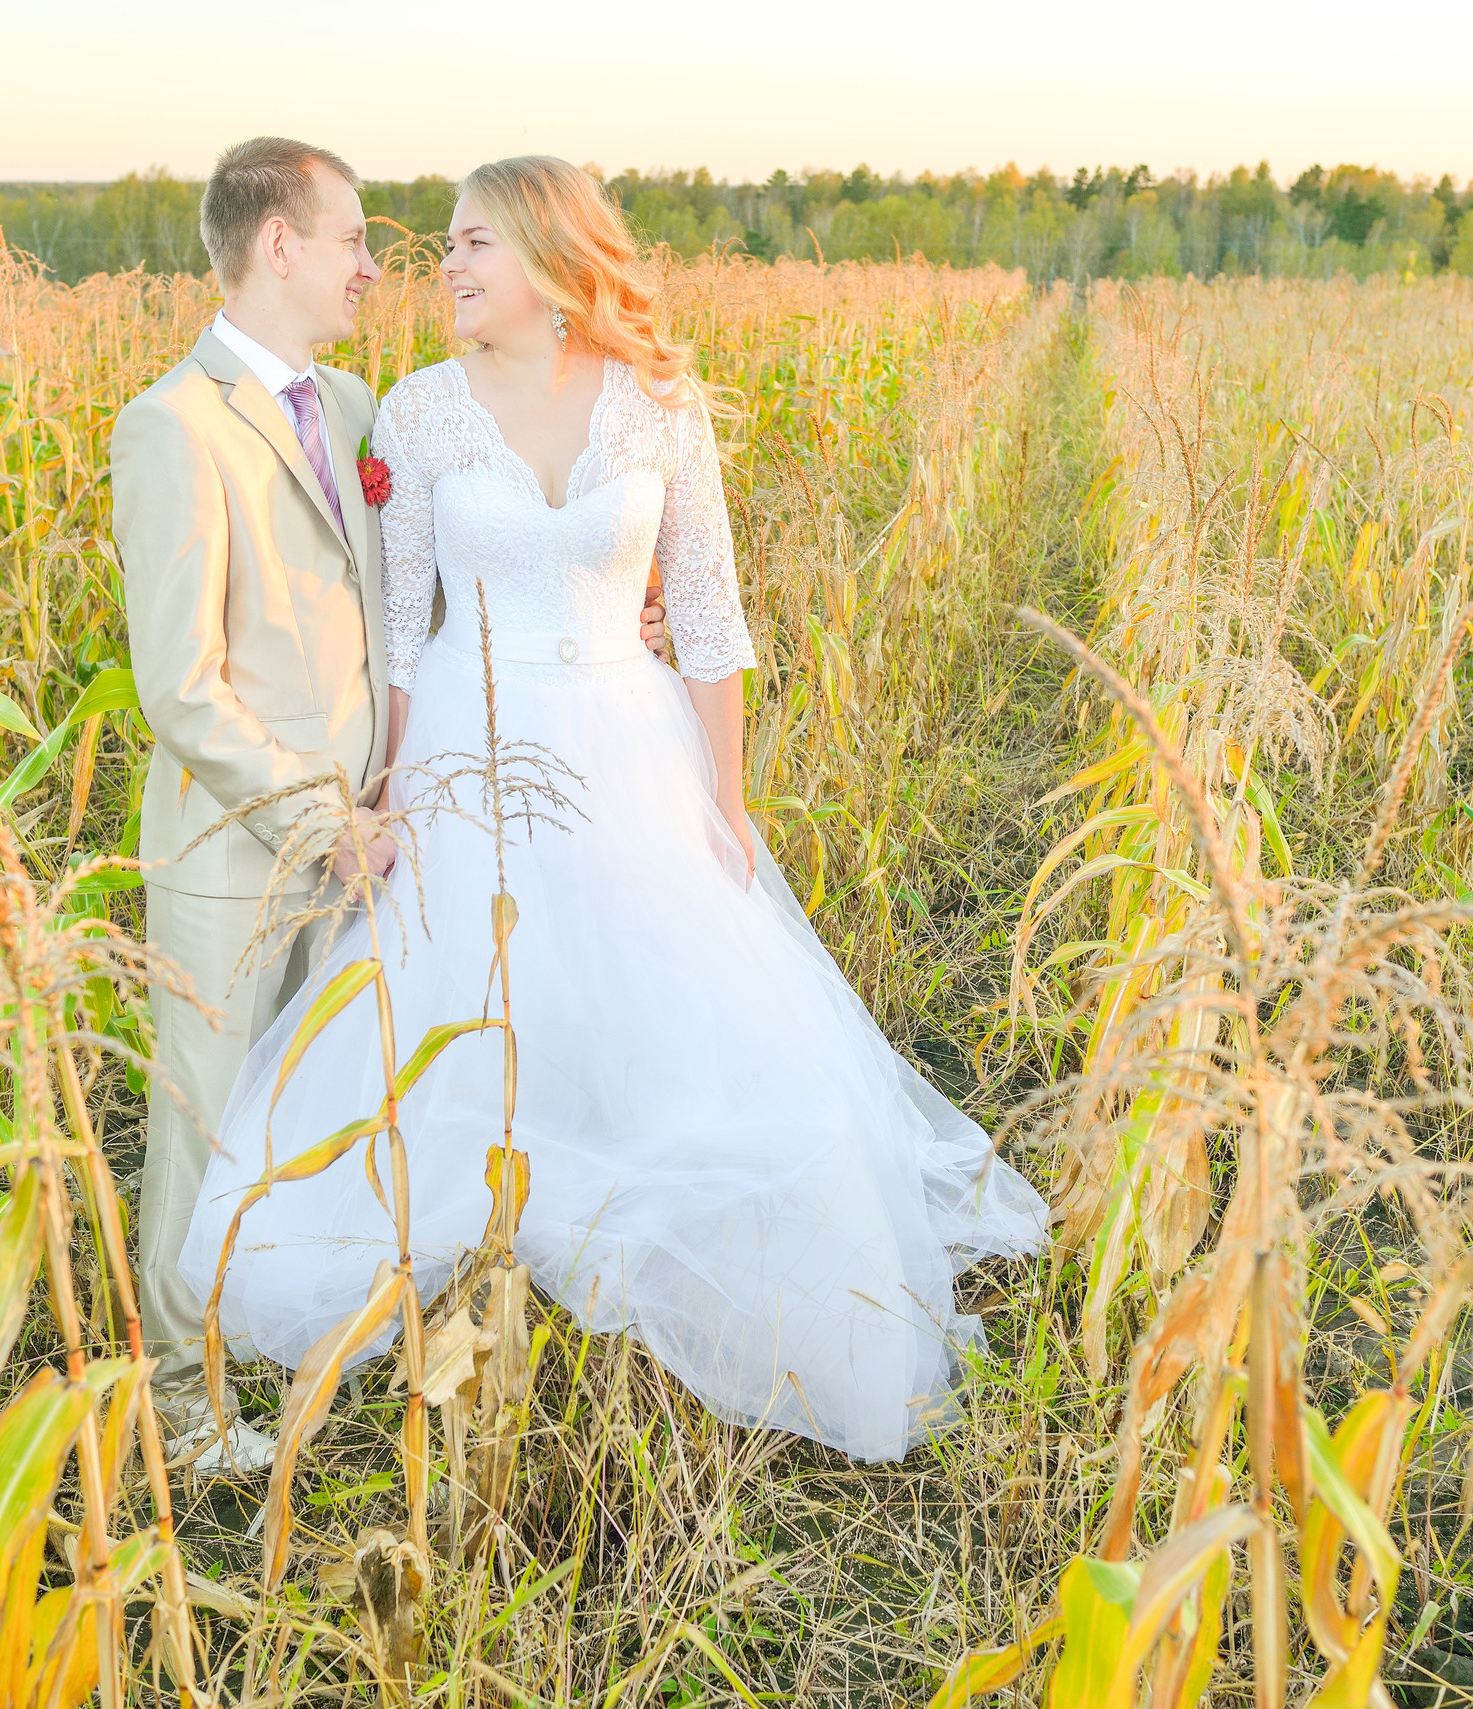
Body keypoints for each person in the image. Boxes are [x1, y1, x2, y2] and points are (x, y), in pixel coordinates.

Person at [178, 157, 1047, 1463]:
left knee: (672, 1007)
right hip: (470, 752)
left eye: (471, 243)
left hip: (628, 741)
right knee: (464, 1012)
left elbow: (705, 614)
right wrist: (394, 784)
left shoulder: (660, 404)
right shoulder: (416, 415)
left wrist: (728, 799)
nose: (446, 268)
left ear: (545, 251)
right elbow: (407, 632)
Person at [112, 136, 672, 1477]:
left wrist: (604, 583)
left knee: (306, 1107)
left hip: (375, 828)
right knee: (201, 1128)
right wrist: (323, 815)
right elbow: (180, 690)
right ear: (278, 247)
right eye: (356, 239)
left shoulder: (365, 405)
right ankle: (183, 1427)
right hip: (243, 848)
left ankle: (268, 1336)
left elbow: (414, 586)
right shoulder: (172, 427)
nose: (380, 265)